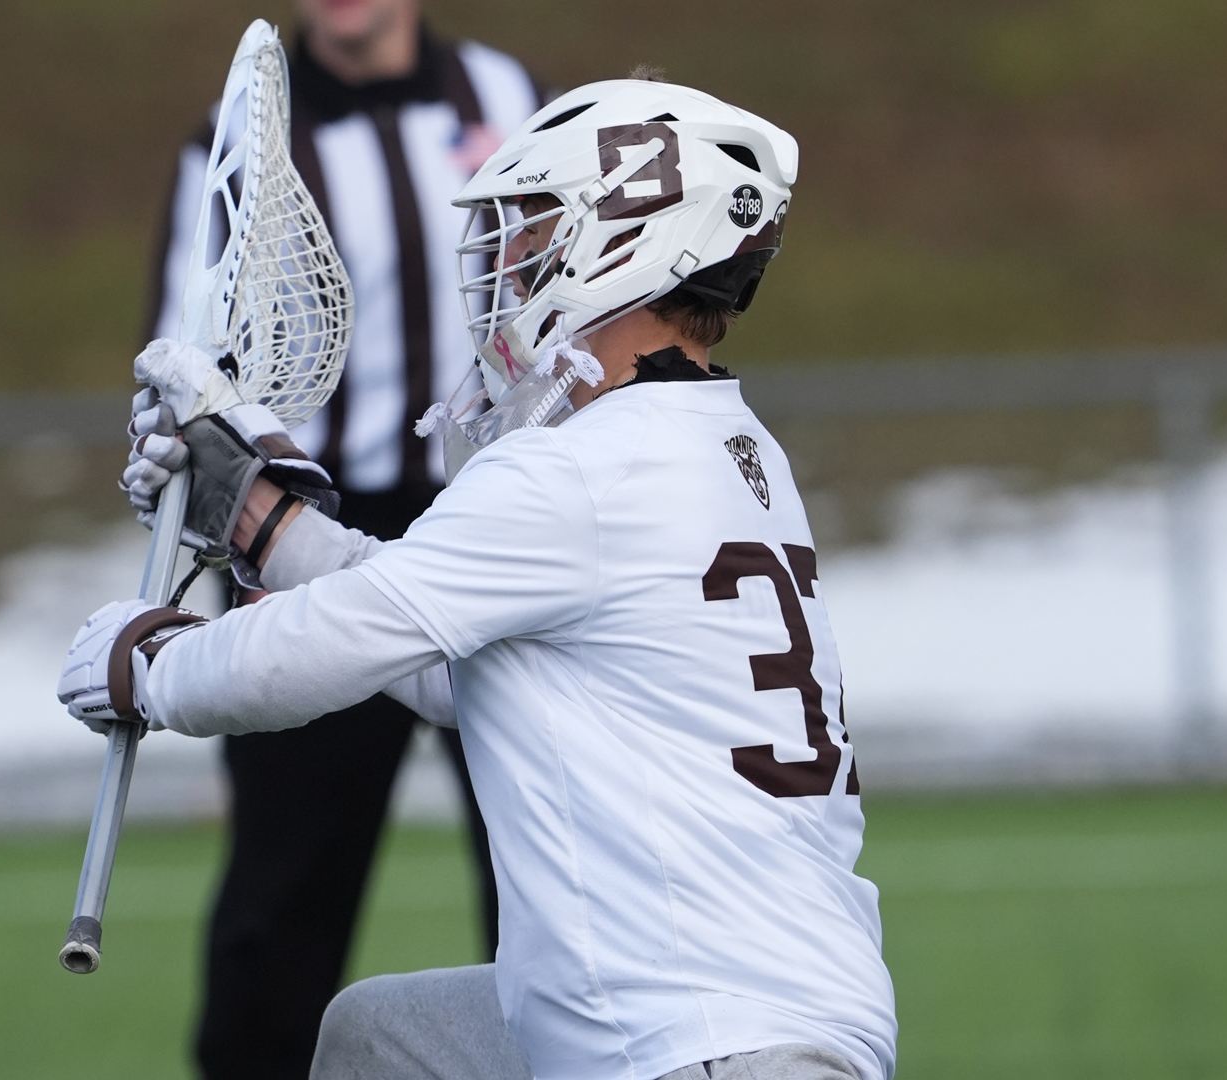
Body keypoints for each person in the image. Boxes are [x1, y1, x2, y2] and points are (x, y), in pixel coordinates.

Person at [77, 75, 895, 1080]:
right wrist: (266, 522)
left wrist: (147, 665)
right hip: (765, 1010)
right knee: (380, 1040)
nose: (510, 263)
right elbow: (465, 664)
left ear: (624, 244)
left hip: (695, 1039)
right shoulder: (724, 447)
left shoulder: (578, 469)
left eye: (536, 227)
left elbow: (332, 645)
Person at [138, 3, 544, 1076]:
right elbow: (187, 351)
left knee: (546, 861)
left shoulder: (509, 98)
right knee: (284, 892)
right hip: (298, 526)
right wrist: (202, 463)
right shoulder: (240, 134)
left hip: (492, 520)